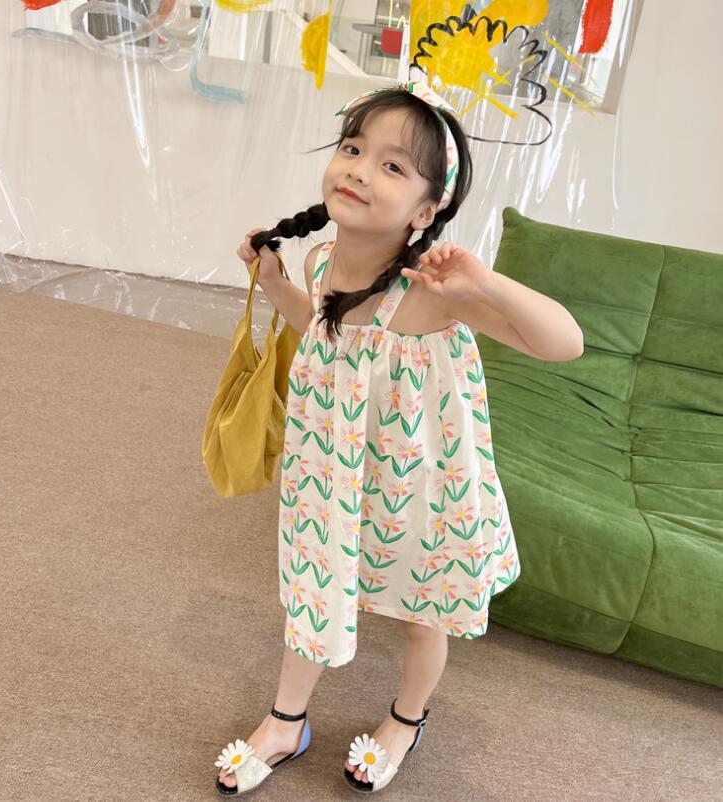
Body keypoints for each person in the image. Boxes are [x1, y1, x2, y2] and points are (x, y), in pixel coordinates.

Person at [214, 69, 584, 797]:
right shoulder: (321, 260)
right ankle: (286, 721)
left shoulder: (432, 293)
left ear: (427, 208)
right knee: (315, 591)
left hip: (421, 487)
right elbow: (325, 334)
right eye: (353, 148)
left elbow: (564, 342)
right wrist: (277, 282)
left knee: (424, 613)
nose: (358, 170)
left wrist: (485, 284)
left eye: (393, 166)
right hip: (332, 471)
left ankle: (407, 720)